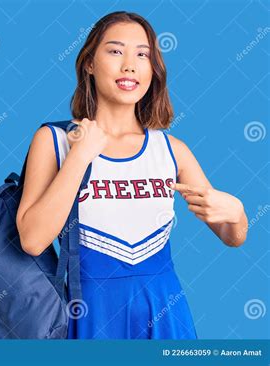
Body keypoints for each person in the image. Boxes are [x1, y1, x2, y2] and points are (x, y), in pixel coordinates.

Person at [16, 11, 248, 339]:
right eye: (115, 51)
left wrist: (237, 214)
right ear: (89, 63)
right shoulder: (53, 140)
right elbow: (33, 240)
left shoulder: (171, 149)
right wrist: (81, 154)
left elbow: (232, 236)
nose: (130, 65)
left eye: (142, 54)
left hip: (165, 311)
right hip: (89, 313)